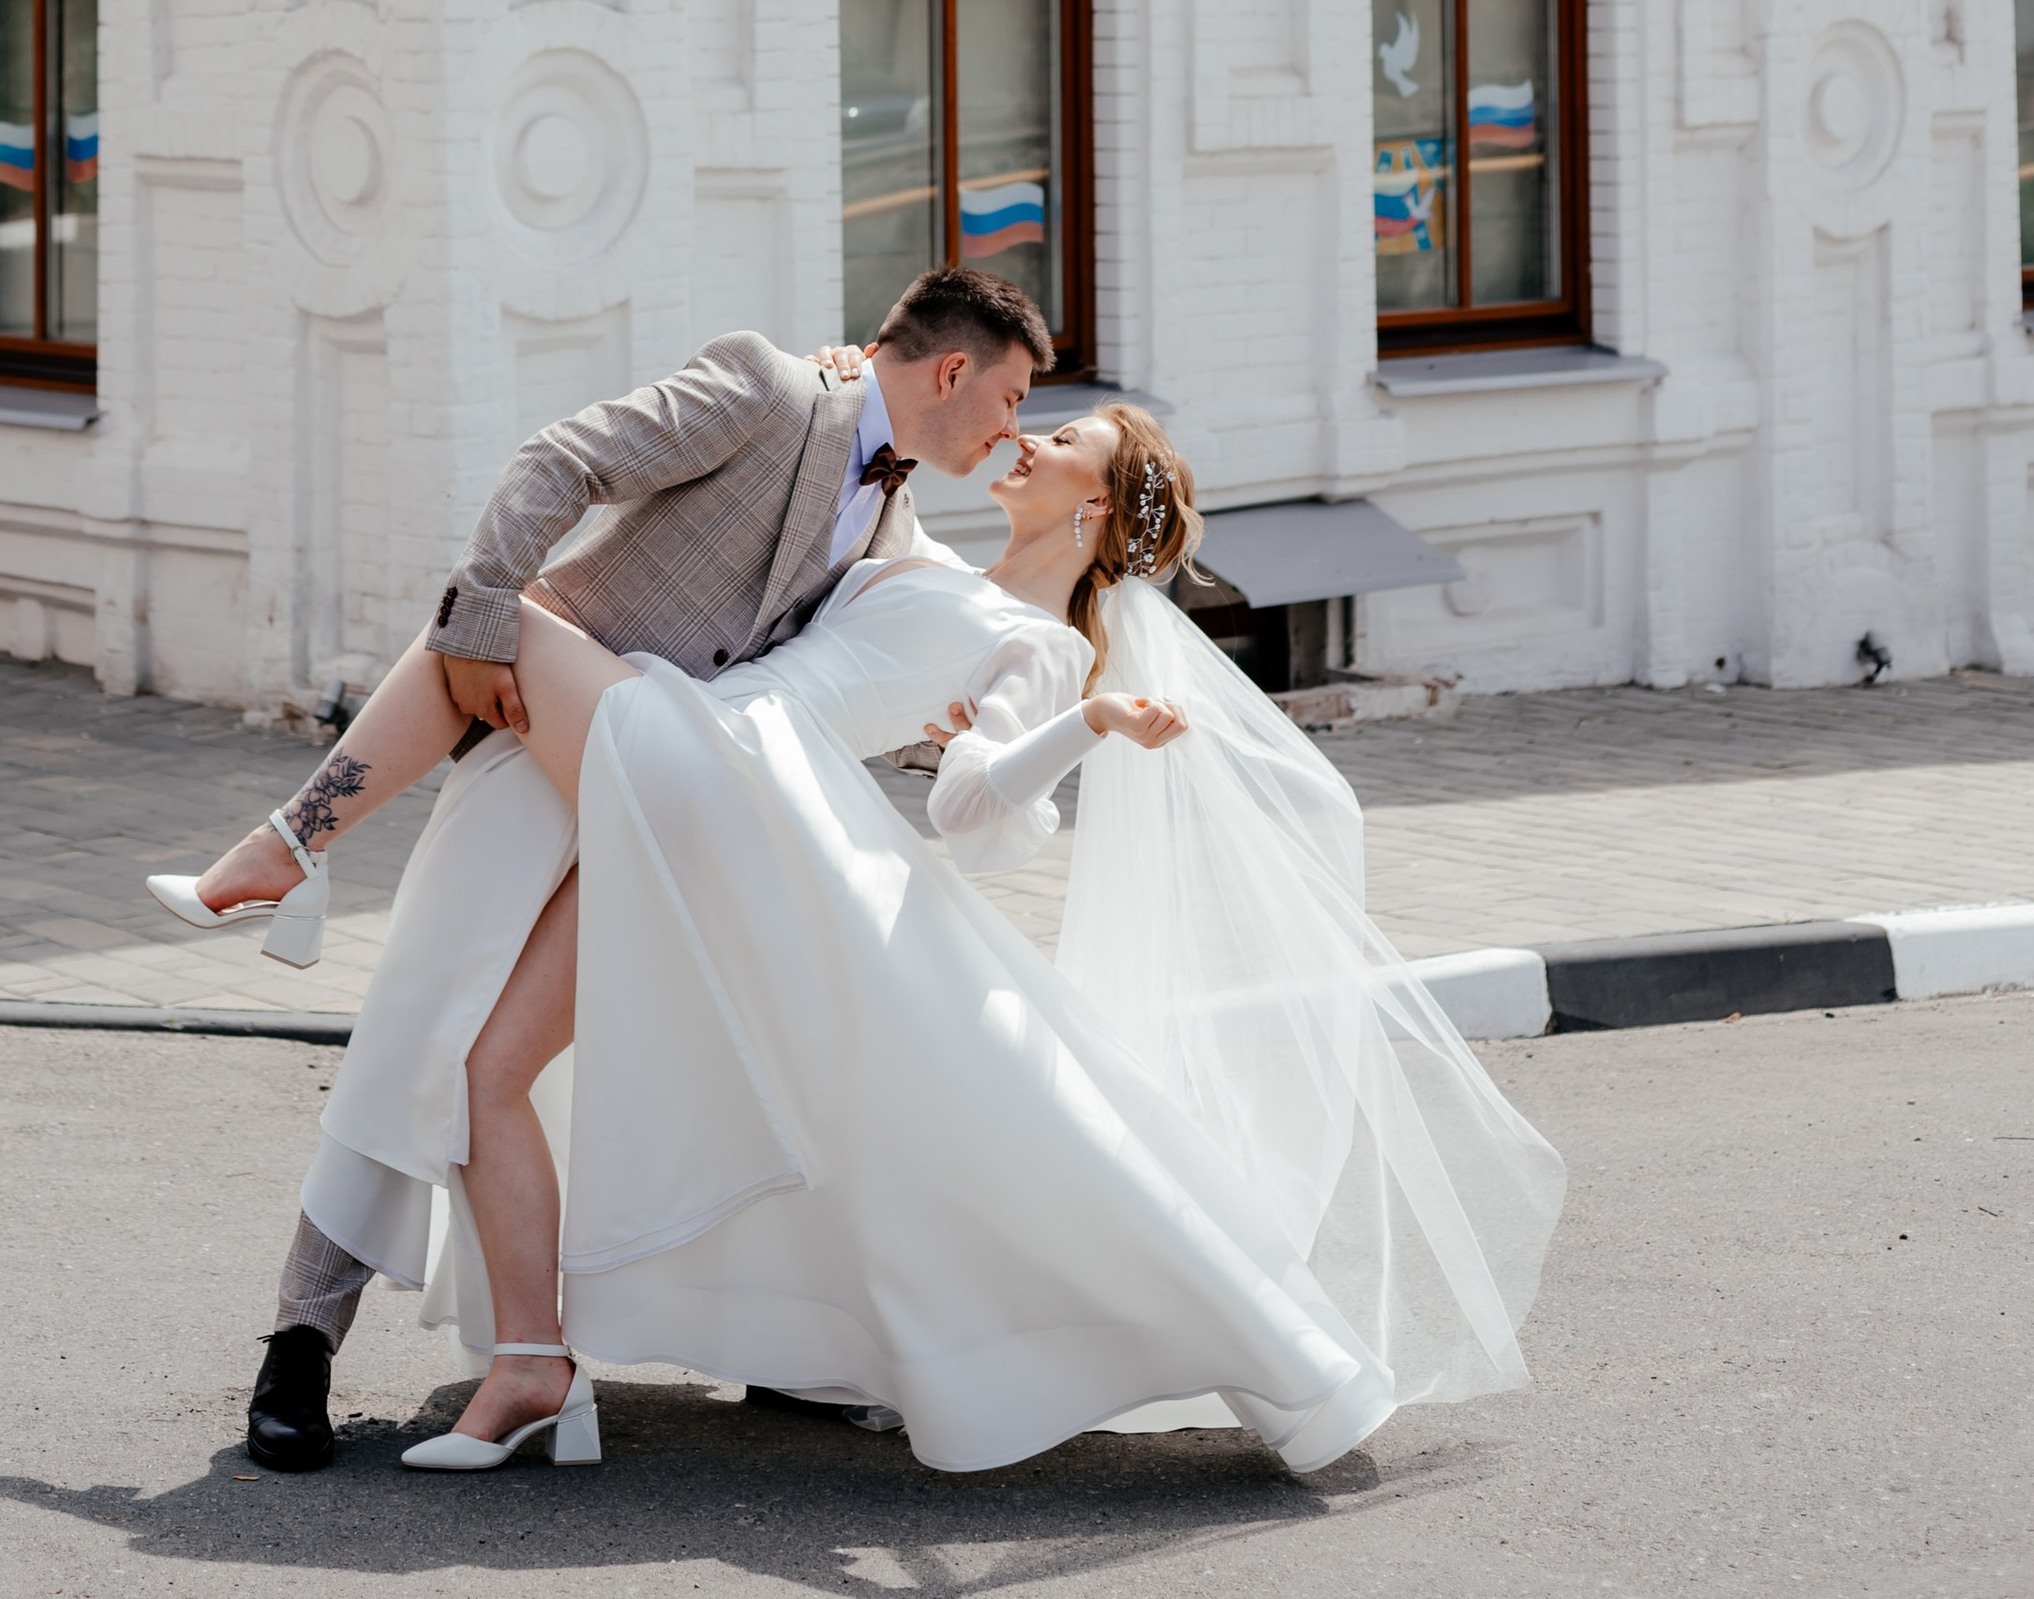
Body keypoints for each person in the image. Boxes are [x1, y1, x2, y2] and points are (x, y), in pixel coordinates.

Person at [298, 402, 1566, 1478]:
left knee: (497, 615)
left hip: (742, 797)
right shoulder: (913, 553)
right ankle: (541, 1370)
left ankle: (287, 853)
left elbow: (972, 811)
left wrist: (1087, 723)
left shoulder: (1042, 646)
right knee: (493, 1065)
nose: (1022, 437)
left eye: (1058, 436)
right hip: (707, 782)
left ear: (1095, 505)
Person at [147, 265, 1052, 1467]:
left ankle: (779, 1344)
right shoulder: (769, 388)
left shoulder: (893, 514)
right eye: (1012, 396)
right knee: (424, 1025)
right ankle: (301, 1344)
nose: (1011, 429)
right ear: (953, 369)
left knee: (671, 1063)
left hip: (648, 782)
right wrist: (478, 624)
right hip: (542, 734)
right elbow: (558, 459)